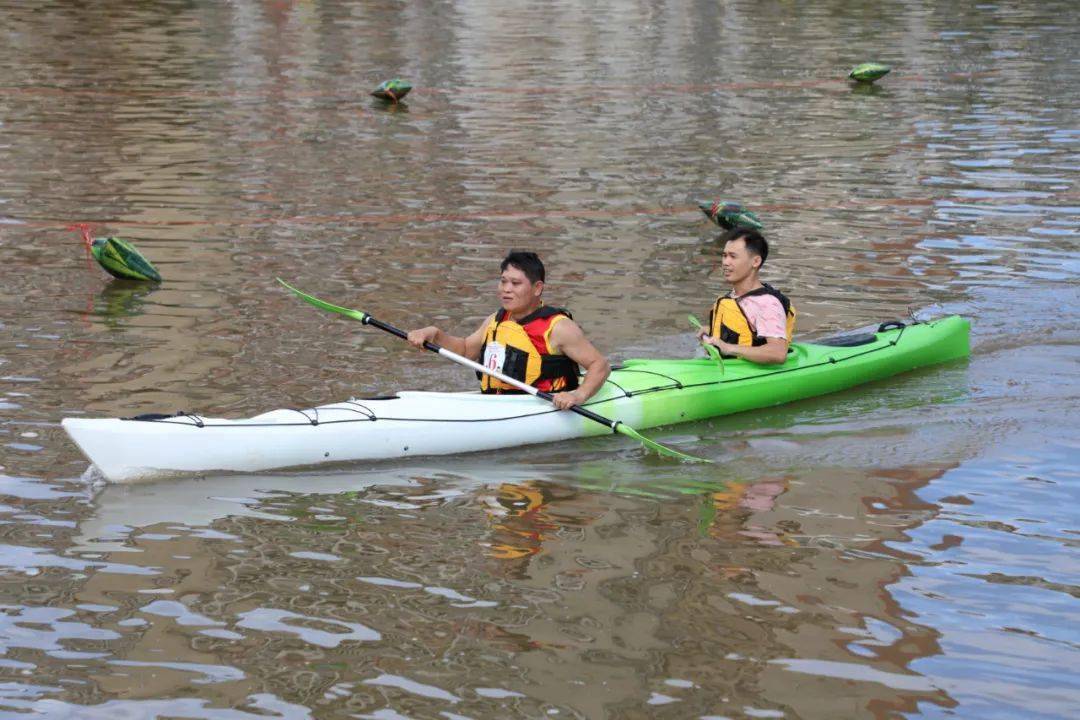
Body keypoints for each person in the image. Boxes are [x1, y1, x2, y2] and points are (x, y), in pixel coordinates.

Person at [407, 251, 611, 409]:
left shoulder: (558, 327)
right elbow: (467, 350)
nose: (506, 289)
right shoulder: (495, 320)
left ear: (537, 288)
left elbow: (599, 365)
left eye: (515, 283)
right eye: (503, 281)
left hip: (541, 406)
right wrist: (435, 334)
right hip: (496, 404)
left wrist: (577, 396)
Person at [697, 227, 796, 365]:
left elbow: (778, 353)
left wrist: (728, 348)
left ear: (755, 262)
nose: (725, 262)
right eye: (724, 255)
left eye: (733, 256)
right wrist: (712, 333)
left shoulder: (767, 304)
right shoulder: (732, 297)